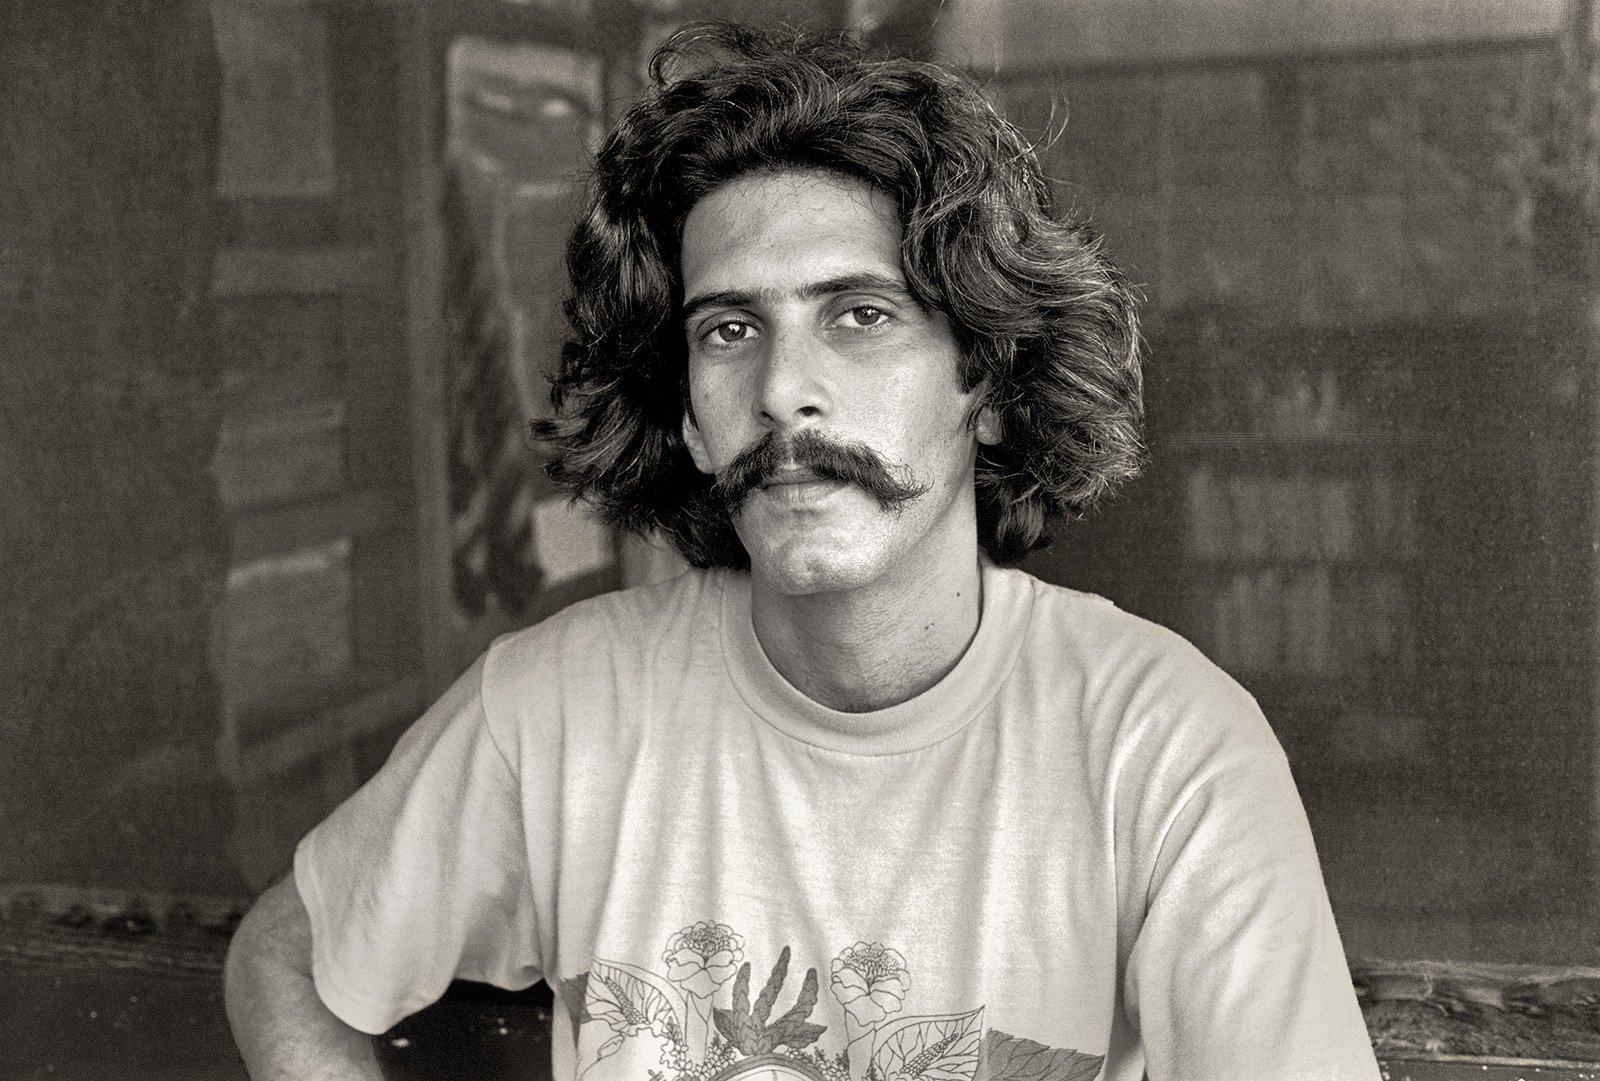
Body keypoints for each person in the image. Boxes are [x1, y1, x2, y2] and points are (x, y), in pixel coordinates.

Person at [224, 23, 1381, 1081]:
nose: (783, 391)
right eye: (729, 330)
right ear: (688, 416)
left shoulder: (1162, 749)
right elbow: (286, 957)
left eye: (858, 316)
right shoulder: (556, 711)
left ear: (985, 382)